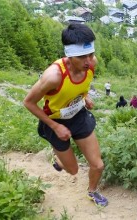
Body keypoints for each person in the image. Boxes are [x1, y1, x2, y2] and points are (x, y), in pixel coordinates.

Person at [23, 23, 108, 207]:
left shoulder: (91, 64)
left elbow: (81, 85)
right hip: (53, 120)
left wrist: (84, 97)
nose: (88, 61)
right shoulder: (53, 76)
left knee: (98, 165)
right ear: (69, 55)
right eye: (82, 57)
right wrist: (55, 126)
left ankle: (92, 192)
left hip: (78, 116)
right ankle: (60, 159)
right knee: (73, 170)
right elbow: (28, 102)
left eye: (91, 54)